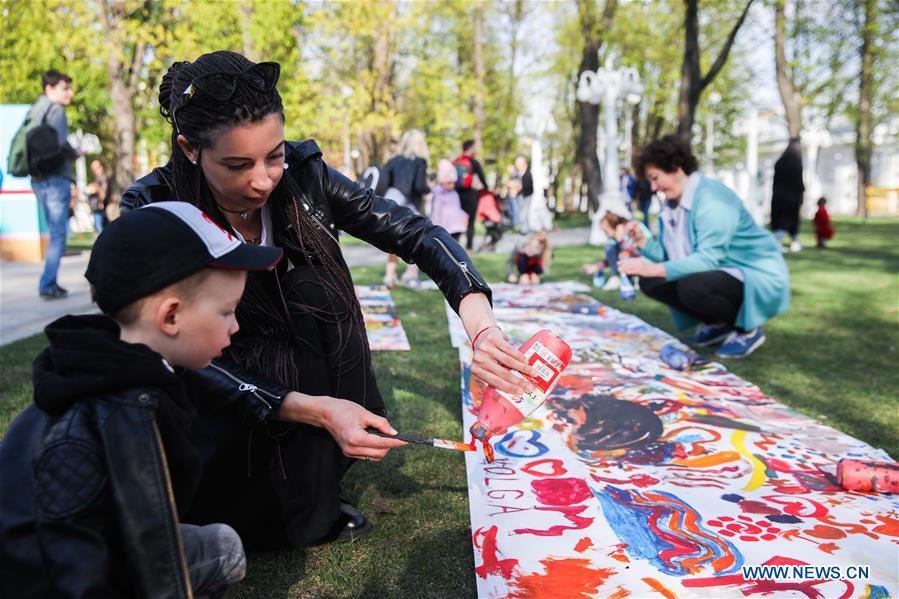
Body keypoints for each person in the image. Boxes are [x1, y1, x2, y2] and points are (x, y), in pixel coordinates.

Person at [119, 51, 536, 549]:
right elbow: (162, 350)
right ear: (189, 149)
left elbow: (414, 232)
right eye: (237, 164)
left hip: (311, 363)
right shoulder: (152, 208)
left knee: (310, 288)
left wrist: (481, 324)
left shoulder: (304, 172)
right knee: (245, 522)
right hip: (217, 387)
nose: (263, 179)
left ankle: (313, 472)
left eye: (274, 155)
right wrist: (309, 409)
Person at [0, 202, 284, 597]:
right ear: (170, 317)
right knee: (222, 549)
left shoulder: (127, 371)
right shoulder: (110, 414)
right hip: (51, 579)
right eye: (227, 312)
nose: (236, 326)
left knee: (221, 543)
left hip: (100, 549)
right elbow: (74, 573)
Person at [619, 135, 790, 359]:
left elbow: (708, 260)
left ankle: (748, 330)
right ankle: (718, 324)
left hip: (757, 274)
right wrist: (643, 242)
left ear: (675, 167)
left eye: (655, 178)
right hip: (721, 272)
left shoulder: (711, 199)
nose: (653, 187)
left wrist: (649, 267)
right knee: (651, 281)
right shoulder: (672, 205)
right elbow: (669, 256)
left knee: (691, 286)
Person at [28, 70, 82, 299]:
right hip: (55, 179)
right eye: (64, 88)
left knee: (54, 233)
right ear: (50, 89)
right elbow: (60, 146)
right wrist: (75, 153)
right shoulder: (56, 111)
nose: (69, 93)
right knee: (59, 235)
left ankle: (49, 283)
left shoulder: (35, 110)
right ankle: (48, 284)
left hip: (38, 179)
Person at [376, 129, 431, 288]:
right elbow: (419, 186)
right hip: (409, 204)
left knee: (392, 240)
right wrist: (429, 190)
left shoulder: (394, 160)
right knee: (415, 240)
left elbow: (384, 181)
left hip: (391, 202)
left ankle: (390, 275)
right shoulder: (419, 161)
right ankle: (411, 275)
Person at [582, 207, 647, 291]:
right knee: (613, 248)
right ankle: (621, 278)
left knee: (611, 247)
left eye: (606, 229)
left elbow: (635, 252)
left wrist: (620, 240)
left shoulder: (625, 230)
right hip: (634, 260)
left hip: (643, 261)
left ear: (614, 225)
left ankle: (617, 278)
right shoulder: (618, 241)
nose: (606, 233)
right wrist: (597, 266)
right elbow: (613, 258)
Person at [770, 138, 805, 252]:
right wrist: (801, 196)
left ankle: (795, 240)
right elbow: (799, 182)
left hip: (778, 197)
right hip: (791, 198)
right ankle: (775, 242)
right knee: (787, 221)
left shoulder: (780, 162)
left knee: (786, 221)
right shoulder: (796, 163)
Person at [454, 140, 489, 250]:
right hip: (470, 195)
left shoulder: (455, 162)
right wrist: (486, 188)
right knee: (470, 222)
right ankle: (469, 248)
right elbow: (483, 179)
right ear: (470, 148)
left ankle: (454, 246)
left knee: (457, 222)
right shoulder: (474, 163)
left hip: (456, 195)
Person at [430, 159, 468, 242]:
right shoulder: (438, 193)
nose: (452, 185)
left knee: (456, 246)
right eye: (449, 183)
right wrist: (435, 226)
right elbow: (436, 211)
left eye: (453, 183)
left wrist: (464, 215)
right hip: (445, 227)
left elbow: (457, 208)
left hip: (456, 226)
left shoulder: (454, 193)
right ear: (443, 181)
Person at [85, 159, 109, 236]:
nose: (95, 170)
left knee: (100, 227)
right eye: (93, 168)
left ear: (101, 167)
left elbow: (103, 192)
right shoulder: (97, 178)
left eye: (97, 167)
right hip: (96, 205)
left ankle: (103, 244)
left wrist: (94, 189)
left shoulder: (103, 178)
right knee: (97, 227)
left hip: (99, 205)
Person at [514, 155, 533, 234]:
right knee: (523, 213)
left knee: (524, 213)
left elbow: (528, 184)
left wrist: (519, 187)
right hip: (522, 196)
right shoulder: (519, 174)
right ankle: (525, 228)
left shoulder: (528, 173)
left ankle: (526, 229)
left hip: (526, 196)